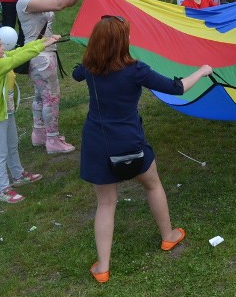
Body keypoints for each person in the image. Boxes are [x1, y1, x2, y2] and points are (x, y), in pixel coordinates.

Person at [73, 15, 213, 283]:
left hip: (97, 143)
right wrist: (202, 71)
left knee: (105, 203)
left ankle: (102, 266)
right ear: (123, 42)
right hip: (129, 142)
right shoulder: (136, 70)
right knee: (152, 185)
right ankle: (168, 236)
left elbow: (78, 72)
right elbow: (177, 87)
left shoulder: (89, 68)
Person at [0, 32, 59, 203]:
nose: (3, 48)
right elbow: (17, 59)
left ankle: (18, 175)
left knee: (12, 145)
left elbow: (19, 52)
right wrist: (42, 46)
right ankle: (3, 189)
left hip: (5, 110)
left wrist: (43, 41)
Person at [15, 0, 92, 154]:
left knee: (41, 96)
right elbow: (59, 5)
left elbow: (66, 2)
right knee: (51, 97)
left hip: (42, 54)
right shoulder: (25, 2)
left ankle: (39, 133)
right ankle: (53, 139)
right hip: (41, 56)